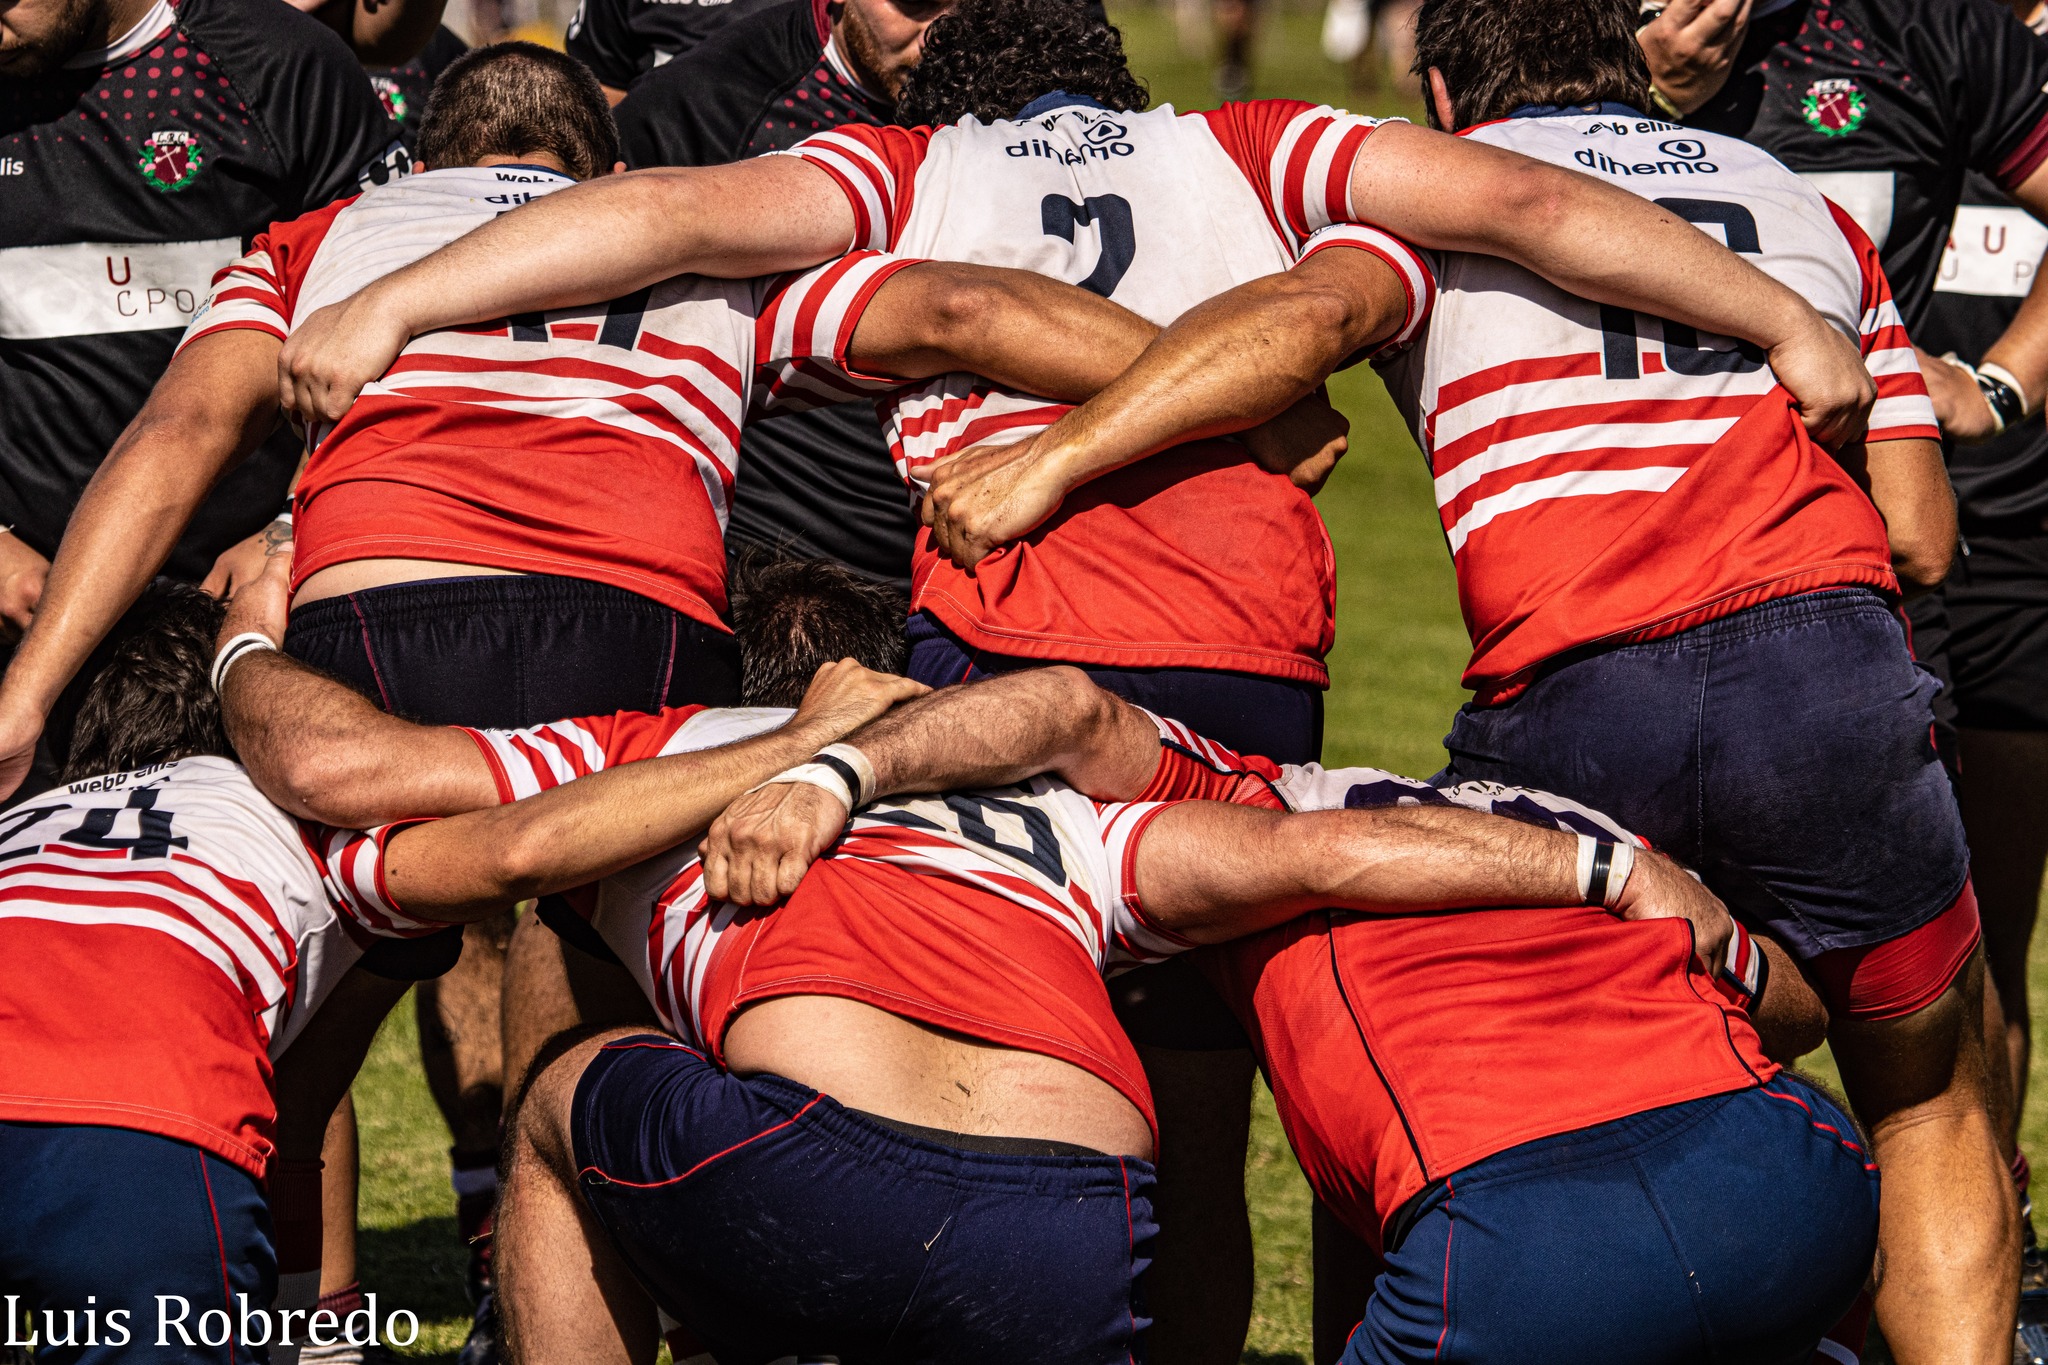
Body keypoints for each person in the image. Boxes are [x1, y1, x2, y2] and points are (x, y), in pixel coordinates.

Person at [264, 2, 1877, 1351]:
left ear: (938, 83)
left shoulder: (907, 163)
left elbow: (677, 214)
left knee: (996, 1010)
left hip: (1023, 639)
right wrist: (1783, 325)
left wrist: (401, 296)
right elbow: (1520, 206)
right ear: (1115, 71)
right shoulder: (1244, 146)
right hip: (1248, 644)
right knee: (1226, 1088)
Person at [913, 1, 1996, 1358]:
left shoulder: (1431, 213)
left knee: (1471, 1092)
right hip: (1820, 677)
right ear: (1630, 56)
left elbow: (1299, 324)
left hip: (1575, 702)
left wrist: (1054, 457)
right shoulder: (1802, 207)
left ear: (1434, 89)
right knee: (1927, 1092)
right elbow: (1920, 534)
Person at [702, 669, 1881, 1365]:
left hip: (1521, 1242)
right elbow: (1788, 1010)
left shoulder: (1233, 804)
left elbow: (1061, 707)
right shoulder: (1562, 819)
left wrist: (833, 770)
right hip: (1793, 1170)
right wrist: (1695, 922)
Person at [0, 0, 408, 786]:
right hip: (24, 633)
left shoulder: (277, 66)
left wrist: (292, 527)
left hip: (254, 624)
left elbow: (402, 328)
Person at [610, 0, 958, 593]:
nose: (946, 29)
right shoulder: (702, 103)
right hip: (782, 566)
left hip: (982, 546)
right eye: (918, 2)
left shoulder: (1027, 67)